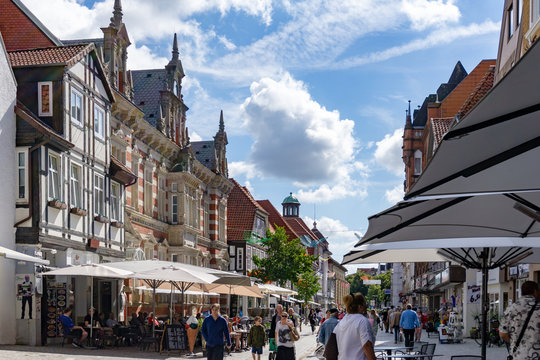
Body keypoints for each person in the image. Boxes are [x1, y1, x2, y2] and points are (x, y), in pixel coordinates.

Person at [500, 281, 540, 360]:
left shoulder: (511, 309)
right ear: (535, 291)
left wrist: (515, 343)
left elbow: (502, 334)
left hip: (518, 355)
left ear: (522, 292)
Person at [332, 293, 376, 360]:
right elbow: (367, 345)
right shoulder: (362, 321)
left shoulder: (341, 322)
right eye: (365, 305)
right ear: (360, 307)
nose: (366, 308)